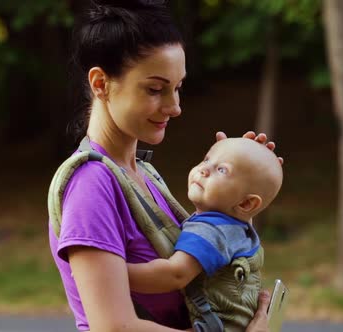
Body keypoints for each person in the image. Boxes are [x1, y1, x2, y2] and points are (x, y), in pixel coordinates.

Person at [48, 1, 283, 331]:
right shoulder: (91, 185)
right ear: (100, 83)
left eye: (178, 88)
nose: (175, 107)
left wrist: (247, 182)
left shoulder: (141, 174)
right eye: (155, 89)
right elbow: (114, 327)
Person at [127, 138, 283, 330]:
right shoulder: (238, 226)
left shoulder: (210, 231)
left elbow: (175, 274)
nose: (204, 169)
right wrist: (238, 157)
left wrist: (115, 273)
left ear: (245, 204)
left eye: (222, 170)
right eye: (207, 159)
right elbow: (241, 195)